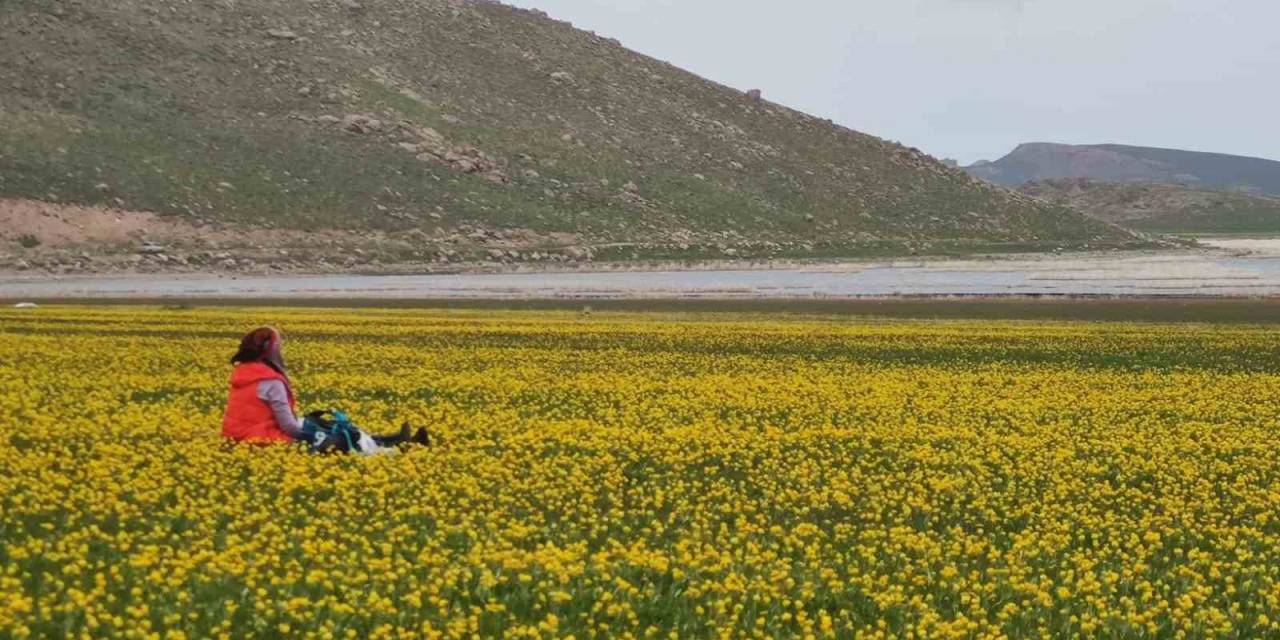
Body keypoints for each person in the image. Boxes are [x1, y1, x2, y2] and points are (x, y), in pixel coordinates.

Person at [221, 326, 427, 452]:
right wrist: (313, 433)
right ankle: (395, 448)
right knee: (338, 439)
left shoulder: (244, 373)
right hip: (262, 440)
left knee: (325, 426)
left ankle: (391, 440)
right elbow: (289, 427)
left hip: (240, 437)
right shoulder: (269, 381)